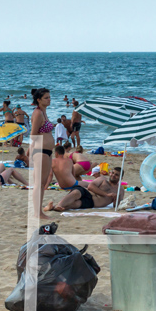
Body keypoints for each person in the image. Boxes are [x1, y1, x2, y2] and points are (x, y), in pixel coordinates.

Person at [47, 167, 124, 212]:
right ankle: (59, 205)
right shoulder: (102, 179)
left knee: (76, 204)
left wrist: (115, 200)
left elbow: (117, 206)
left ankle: (54, 207)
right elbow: (90, 186)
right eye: (112, 173)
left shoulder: (120, 190)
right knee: (76, 193)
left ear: (121, 178)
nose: (113, 175)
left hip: (92, 202)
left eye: (116, 175)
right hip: (86, 192)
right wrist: (107, 194)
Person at [30, 88, 55, 219]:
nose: (49, 99)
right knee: (39, 183)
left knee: (43, 182)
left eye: (49, 97)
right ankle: (37, 213)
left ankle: (39, 212)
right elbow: (33, 134)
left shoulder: (44, 112)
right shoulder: (38, 113)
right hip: (41, 150)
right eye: (46, 98)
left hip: (47, 151)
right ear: (38, 100)